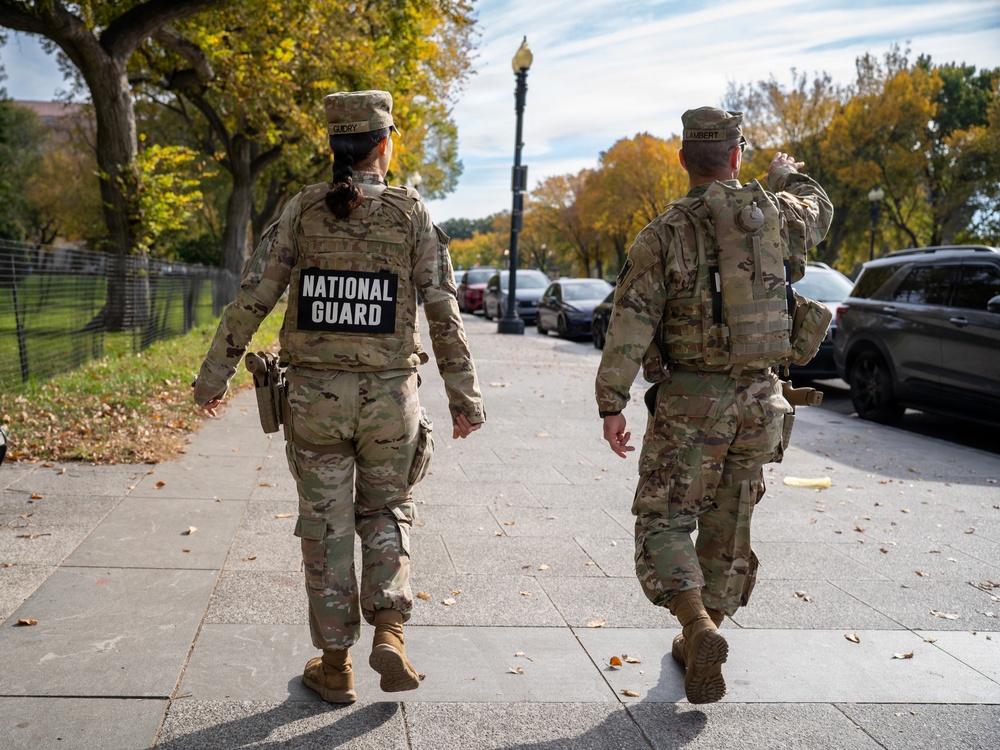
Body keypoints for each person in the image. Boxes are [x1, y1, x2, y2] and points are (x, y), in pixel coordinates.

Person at [193, 90, 485, 704]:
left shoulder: (302, 212)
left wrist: (212, 379)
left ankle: (334, 664)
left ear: (336, 147)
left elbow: (253, 298)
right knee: (387, 511)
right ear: (384, 145)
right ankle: (391, 633)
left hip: (314, 403)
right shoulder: (412, 214)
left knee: (325, 527)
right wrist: (464, 396)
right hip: (389, 403)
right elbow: (443, 310)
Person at [594, 107, 832, 704]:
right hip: (763, 399)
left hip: (692, 402)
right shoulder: (775, 214)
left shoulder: (663, 233)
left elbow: (631, 323)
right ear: (736, 157)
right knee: (731, 520)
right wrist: (784, 176)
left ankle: (695, 625)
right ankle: (702, 638)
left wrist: (611, 402)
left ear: (682, 161)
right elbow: (819, 212)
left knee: (666, 516)